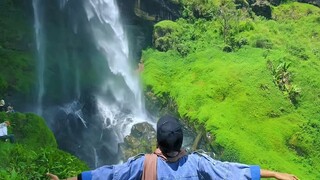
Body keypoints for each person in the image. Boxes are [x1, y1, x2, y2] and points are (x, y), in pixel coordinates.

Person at [47, 115, 298, 180]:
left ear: (158, 142)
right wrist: (275, 173)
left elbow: (108, 174)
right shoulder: (198, 163)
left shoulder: (142, 164)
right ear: (181, 143)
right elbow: (231, 172)